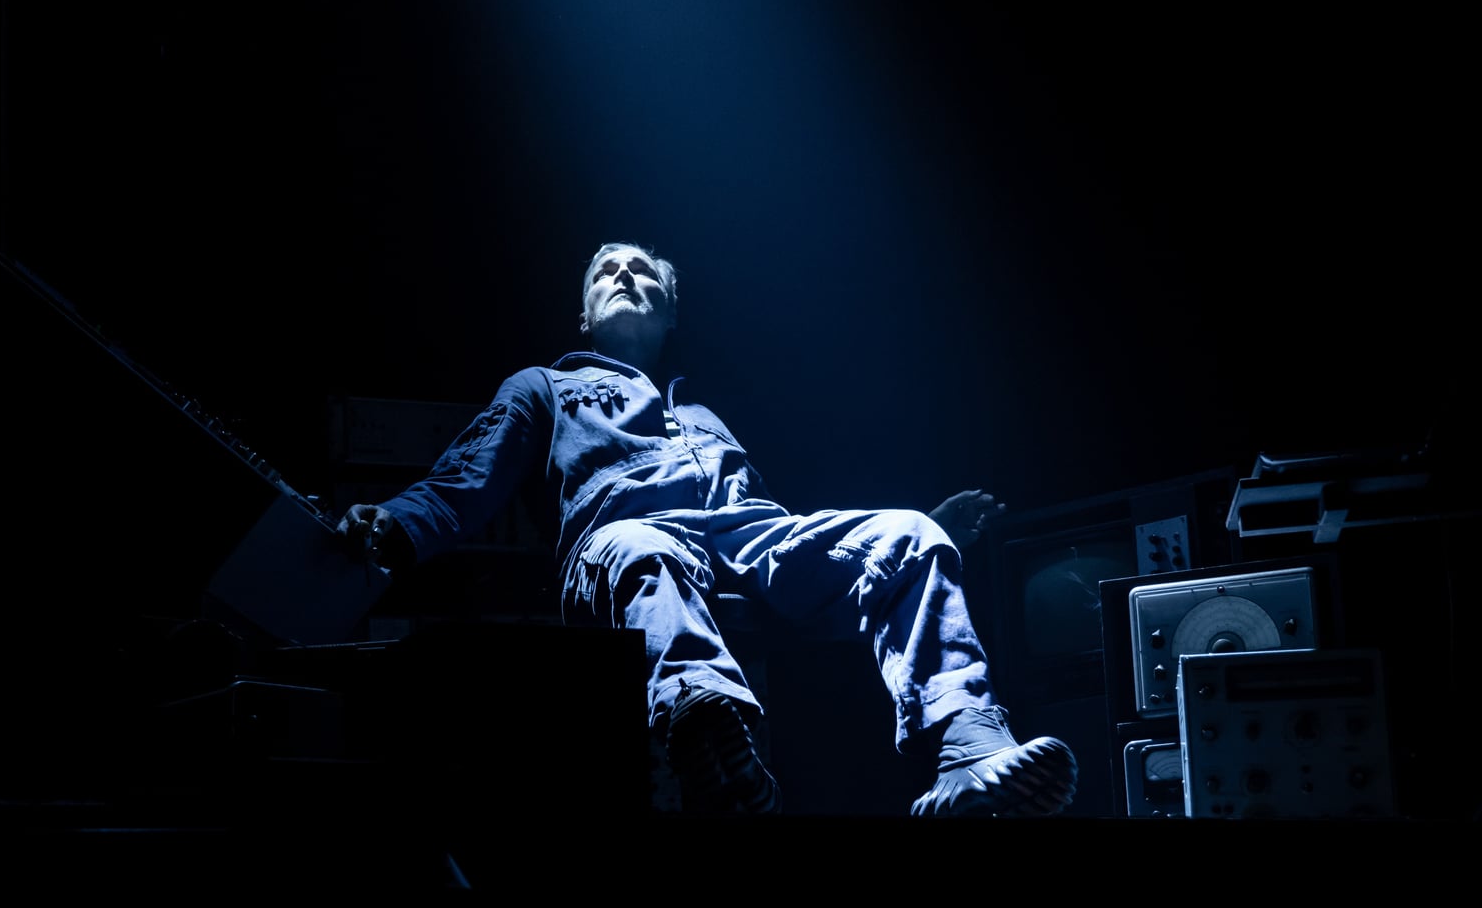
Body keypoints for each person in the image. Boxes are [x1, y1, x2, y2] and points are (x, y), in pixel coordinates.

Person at [338, 240, 1077, 817]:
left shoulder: (702, 415)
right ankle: (710, 738)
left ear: (670, 314)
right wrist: (392, 525)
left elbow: (785, 538)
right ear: (584, 315)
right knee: (646, 548)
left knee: (908, 533)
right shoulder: (546, 387)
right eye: (606, 270)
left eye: (642, 271)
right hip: (624, 539)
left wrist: (899, 547)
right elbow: (464, 479)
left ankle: (968, 750)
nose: (624, 275)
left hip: (746, 538)